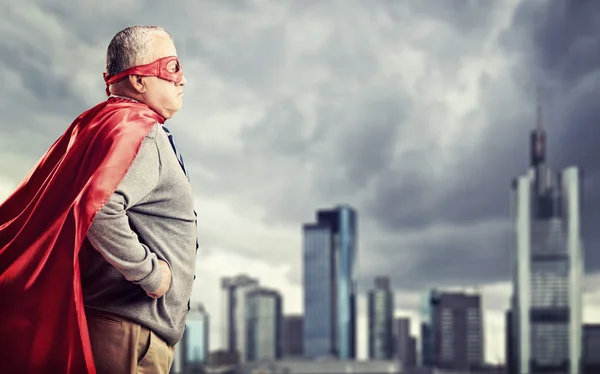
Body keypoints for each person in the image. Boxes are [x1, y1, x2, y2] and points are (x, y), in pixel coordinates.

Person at [0, 25, 197, 374]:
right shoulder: (139, 132)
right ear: (138, 79)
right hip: (129, 337)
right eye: (173, 67)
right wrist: (151, 274)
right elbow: (100, 208)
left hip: (118, 329)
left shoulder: (102, 124)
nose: (182, 80)